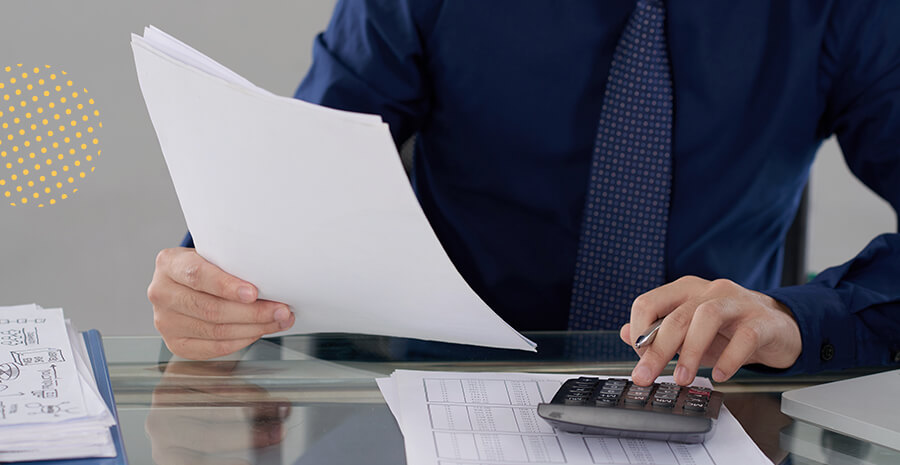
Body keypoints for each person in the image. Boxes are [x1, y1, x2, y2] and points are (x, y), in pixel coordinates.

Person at [147, 0, 900, 386]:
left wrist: (793, 319)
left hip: (709, 404)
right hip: (446, 399)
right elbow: (297, 179)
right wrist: (215, 286)